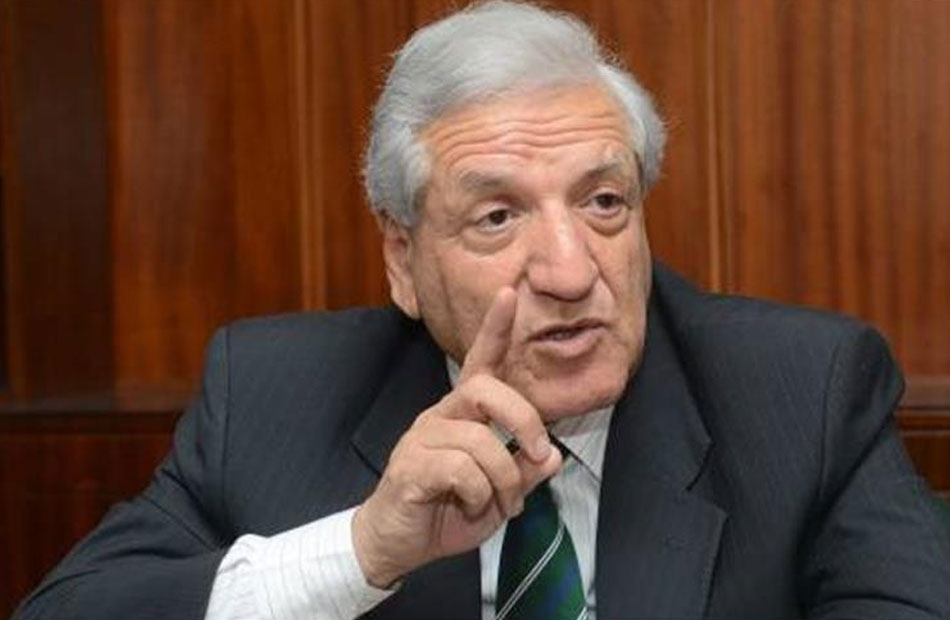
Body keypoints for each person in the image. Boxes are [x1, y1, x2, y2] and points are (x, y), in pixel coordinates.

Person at [14, 2, 950, 619]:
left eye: (604, 202)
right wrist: (363, 549)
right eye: (498, 216)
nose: (571, 271)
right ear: (403, 260)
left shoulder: (802, 394)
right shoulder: (270, 396)